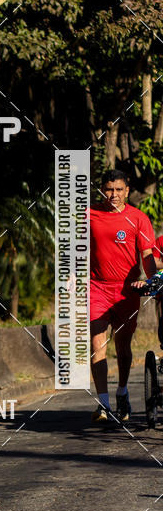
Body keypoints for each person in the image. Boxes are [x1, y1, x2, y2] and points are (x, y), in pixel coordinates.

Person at [90, 170, 156, 423]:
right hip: (96, 288)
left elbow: (147, 255)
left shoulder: (138, 219)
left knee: (123, 347)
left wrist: (152, 280)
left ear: (127, 191)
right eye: (108, 189)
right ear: (101, 190)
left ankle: (122, 391)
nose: (113, 195)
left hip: (128, 290)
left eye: (118, 190)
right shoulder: (89, 215)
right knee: (98, 344)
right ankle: (103, 404)